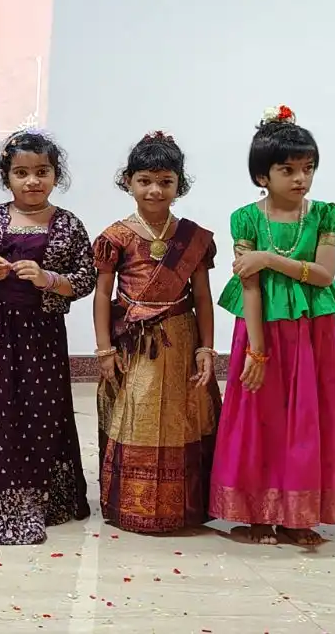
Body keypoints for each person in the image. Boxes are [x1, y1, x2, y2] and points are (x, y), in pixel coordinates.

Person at [210, 106, 335, 546]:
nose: (301, 178)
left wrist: (269, 259)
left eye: (308, 168)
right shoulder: (246, 218)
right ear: (262, 176)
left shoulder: (325, 215)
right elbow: (250, 287)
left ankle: (301, 515)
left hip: (314, 335)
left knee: (312, 417)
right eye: (288, 169)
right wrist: (256, 351)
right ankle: (258, 512)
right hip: (262, 332)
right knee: (261, 416)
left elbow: (326, 275)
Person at [0, 129, 97, 545]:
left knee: (41, 411)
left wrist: (50, 279)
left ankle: (46, 498)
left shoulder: (68, 224)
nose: (33, 181)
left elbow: (86, 278)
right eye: (21, 173)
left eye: (42, 172)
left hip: (42, 335)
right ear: (6, 177)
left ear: (55, 175)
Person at [92, 132, 220, 535]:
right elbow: (102, 294)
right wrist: (103, 350)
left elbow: (202, 296)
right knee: (138, 415)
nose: (155, 189)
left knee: (183, 416)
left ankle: (182, 507)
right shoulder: (116, 237)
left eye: (165, 181)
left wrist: (207, 348)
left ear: (179, 184)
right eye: (145, 179)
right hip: (135, 345)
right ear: (127, 181)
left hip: (181, 340)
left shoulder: (194, 239)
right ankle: (134, 505)